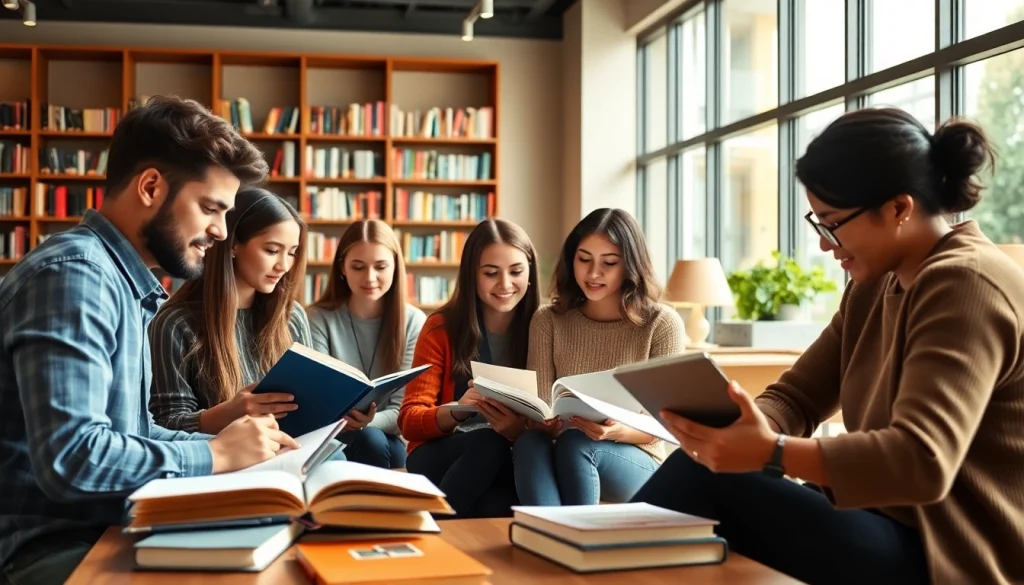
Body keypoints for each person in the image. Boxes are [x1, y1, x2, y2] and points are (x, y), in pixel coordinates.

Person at [632, 108, 1024, 585]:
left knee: (711, 482)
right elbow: (797, 396)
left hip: (950, 557)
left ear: (899, 208)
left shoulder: (967, 282)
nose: (824, 244)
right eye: (818, 222)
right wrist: (737, 428)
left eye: (833, 223)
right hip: (884, 525)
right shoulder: (874, 285)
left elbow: (922, 461)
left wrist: (769, 451)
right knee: (699, 467)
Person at [0, 96, 299, 585]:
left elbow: (133, 435)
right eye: (210, 208)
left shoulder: (123, 284)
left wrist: (239, 448)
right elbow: (71, 457)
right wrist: (217, 455)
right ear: (151, 186)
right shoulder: (76, 276)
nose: (221, 233)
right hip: (52, 549)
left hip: (110, 529)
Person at [512, 208, 686, 506]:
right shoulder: (548, 320)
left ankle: (582, 542)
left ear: (630, 265)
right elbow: (540, 406)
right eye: (584, 259)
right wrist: (541, 423)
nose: (593, 273)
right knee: (530, 443)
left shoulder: (662, 323)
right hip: (564, 444)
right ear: (571, 260)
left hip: (637, 458)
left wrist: (619, 431)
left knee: (578, 442)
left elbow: (668, 426)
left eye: (609, 263)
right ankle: (547, 537)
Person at [399, 218, 540, 517]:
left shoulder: (543, 328)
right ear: (471, 276)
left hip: (510, 459)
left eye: (516, 272)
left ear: (530, 273)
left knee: (496, 504)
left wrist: (517, 431)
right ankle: (435, 530)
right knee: (489, 443)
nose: (505, 284)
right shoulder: (441, 327)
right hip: (443, 454)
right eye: (491, 273)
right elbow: (409, 421)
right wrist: (457, 411)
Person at [149, 187, 312, 434]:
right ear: (233, 245)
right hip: (222, 462)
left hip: (292, 451)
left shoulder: (292, 317)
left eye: (292, 253)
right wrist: (229, 414)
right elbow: (164, 424)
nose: (284, 266)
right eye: (271, 250)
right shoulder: (175, 323)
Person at [306, 219, 426, 469]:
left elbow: (405, 412)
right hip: (333, 437)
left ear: (395, 267)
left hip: (388, 438)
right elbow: (318, 400)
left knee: (374, 439)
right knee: (371, 441)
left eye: (380, 266)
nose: (370, 277)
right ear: (342, 268)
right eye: (358, 267)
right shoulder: (318, 319)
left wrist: (367, 422)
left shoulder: (414, 321)